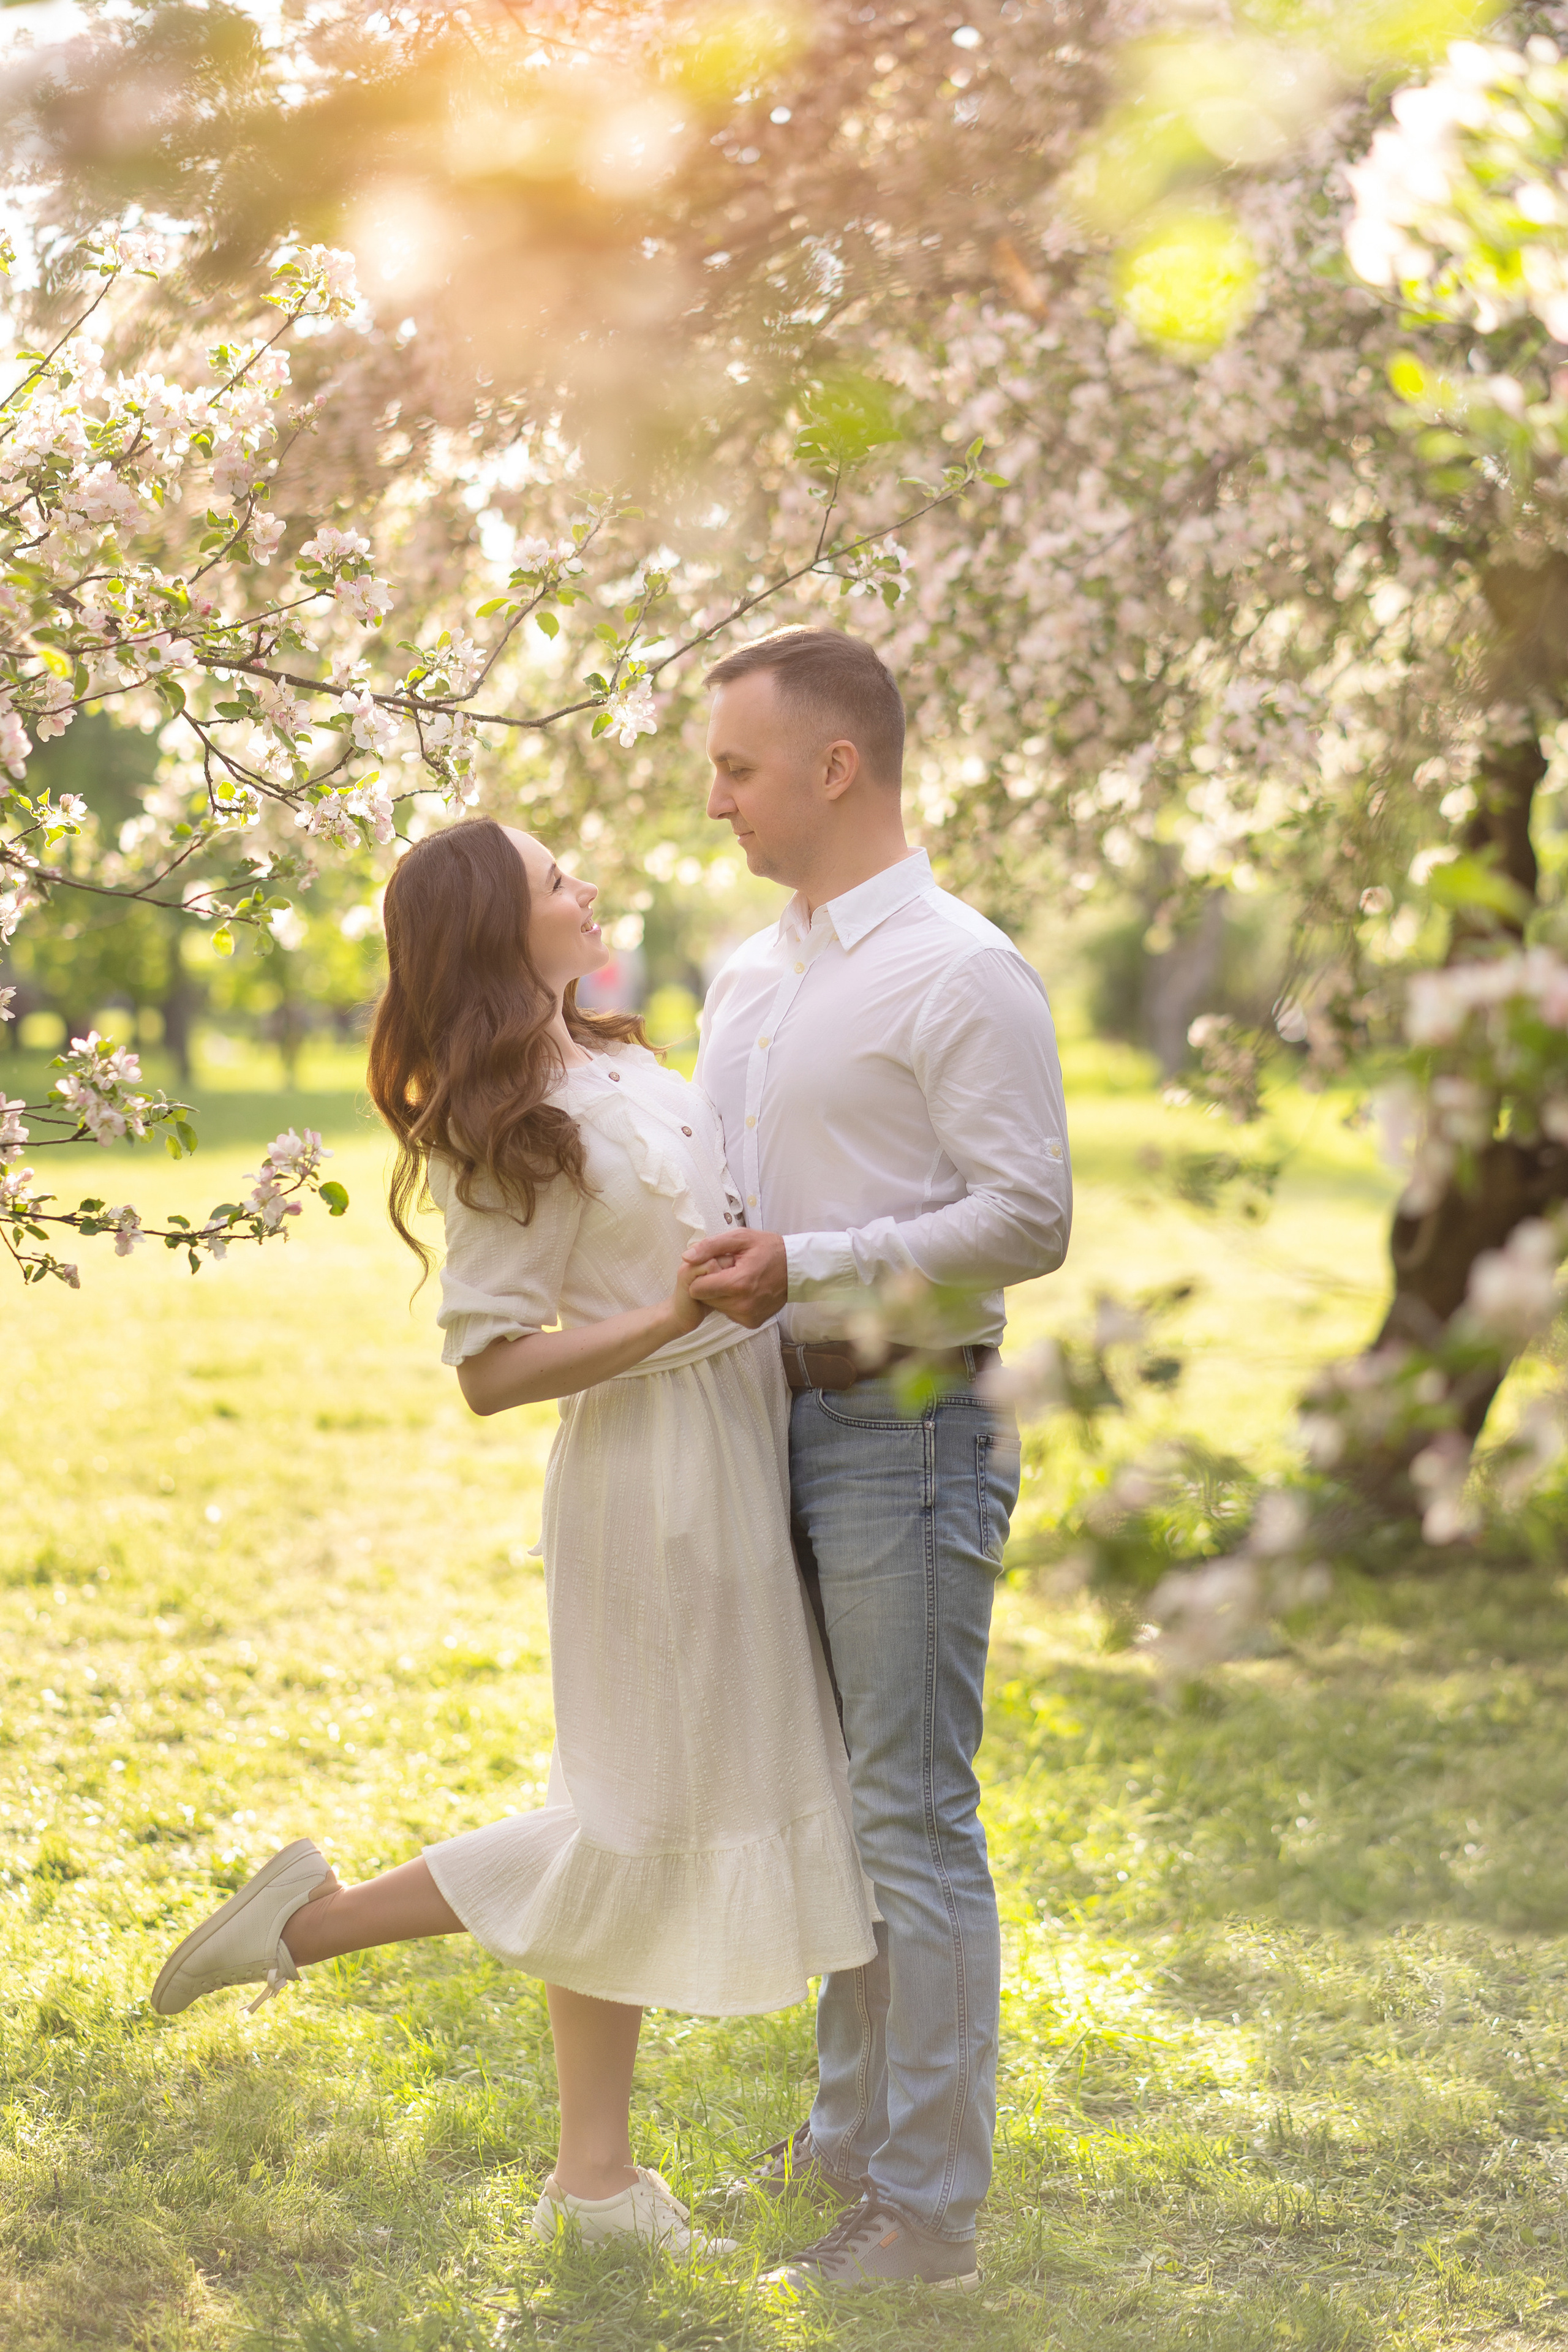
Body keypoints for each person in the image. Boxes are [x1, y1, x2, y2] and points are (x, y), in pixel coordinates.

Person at [148, 818, 876, 2258]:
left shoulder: (622, 1057)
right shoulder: (502, 1124)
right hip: (650, 1487)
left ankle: (591, 2189)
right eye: (556, 880)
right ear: (496, 930)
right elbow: (487, 1369)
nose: (587, 884)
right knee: (624, 1823)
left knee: (633, 1814)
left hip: (738, 1450)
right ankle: (309, 1931)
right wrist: (675, 1318)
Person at [684, 626, 1071, 2293]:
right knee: (839, 1816)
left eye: (740, 769)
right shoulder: (750, 975)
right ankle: (849, 2146)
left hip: (907, 1430)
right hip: (771, 1427)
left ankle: (925, 2216)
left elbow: (1029, 1217)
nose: (719, 801)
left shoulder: (962, 968)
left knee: (909, 1815)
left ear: (836, 768)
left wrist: (816, 1261)